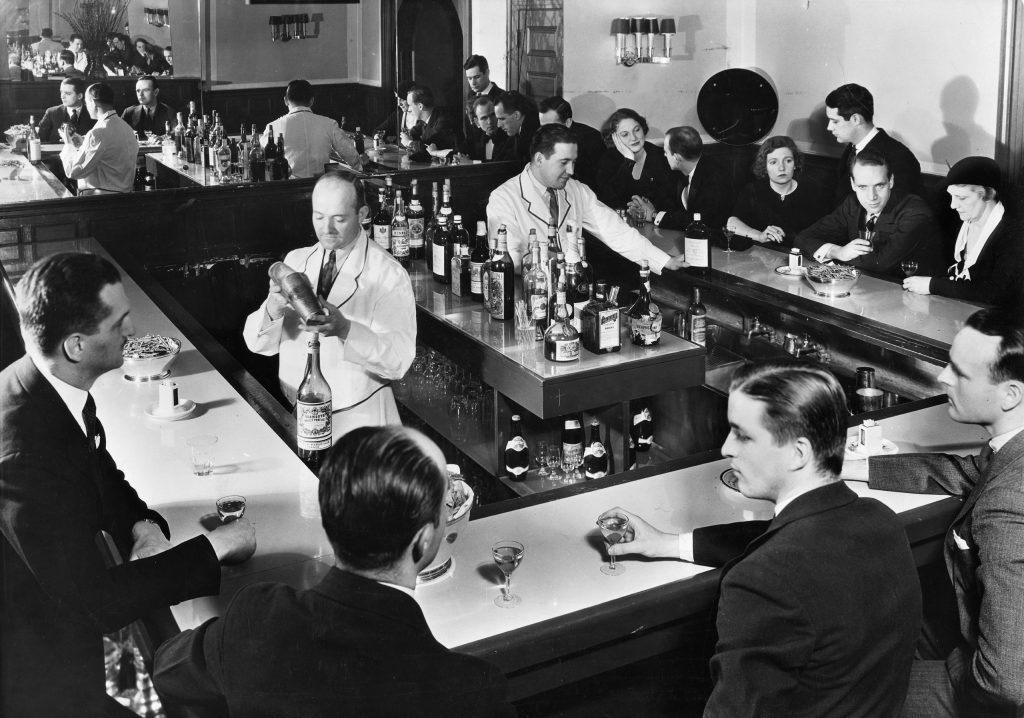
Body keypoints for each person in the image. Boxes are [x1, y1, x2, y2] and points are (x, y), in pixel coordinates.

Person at [0, 252, 256, 717]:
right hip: (31, 672)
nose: (132, 331)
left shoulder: (46, 384)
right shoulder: (26, 456)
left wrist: (141, 522)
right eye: (118, 323)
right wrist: (214, 548)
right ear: (77, 346)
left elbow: (99, 472)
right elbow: (90, 601)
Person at [600, 361, 921, 717]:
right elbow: (792, 539)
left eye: (743, 435)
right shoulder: (880, 520)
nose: (725, 448)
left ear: (798, 453)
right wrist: (668, 543)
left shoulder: (762, 581)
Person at [154, 426, 514, 717]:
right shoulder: (472, 690)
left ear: (329, 519)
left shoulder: (254, 619)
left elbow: (167, 670)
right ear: (422, 542)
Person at [863, 308, 1024, 717]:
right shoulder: (1012, 454)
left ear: (1010, 395)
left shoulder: (1006, 507)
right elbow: (971, 472)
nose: (941, 377)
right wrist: (848, 466)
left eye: (960, 372)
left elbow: (1005, 684)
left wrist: (954, 669)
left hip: (990, 688)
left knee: (840, 693)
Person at [243, 172, 415, 436]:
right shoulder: (297, 260)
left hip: (360, 420)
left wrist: (346, 329)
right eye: (319, 217)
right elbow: (256, 344)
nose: (327, 229)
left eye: (339, 219)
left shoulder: (389, 274)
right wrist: (272, 309)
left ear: (362, 214)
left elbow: (398, 362)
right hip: (299, 413)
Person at [487, 123, 689, 275]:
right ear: (539, 159)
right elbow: (507, 260)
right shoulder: (504, 198)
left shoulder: (575, 189)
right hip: (527, 297)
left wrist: (664, 261)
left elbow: (615, 231)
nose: (571, 171)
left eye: (574, 162)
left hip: (570, 292)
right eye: (564, 162)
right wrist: (551, 262)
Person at [795, 149, 944, 279]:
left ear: (891, 181)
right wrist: (838, 252)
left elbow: (879, 265)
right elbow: (803, 238)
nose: (871, 197)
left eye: (879, 186)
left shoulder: (915, 212)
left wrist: (839, 253)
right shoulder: (852, 204)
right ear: (853, 185)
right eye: (863, 187)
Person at [904, 156, 1024, 306]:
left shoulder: (1014, 235)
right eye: (951, 196)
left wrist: (933, 285)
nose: (953, 205)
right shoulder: (957, 220)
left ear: (989, 194)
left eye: (962, 198)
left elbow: (994, 293)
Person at [826, 83, 922, 205]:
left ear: (856, 119)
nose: (829, 127)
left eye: (835, 121)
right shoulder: (852, 148)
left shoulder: (898, 157)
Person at [727, 135, 828, 248]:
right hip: (762, 256)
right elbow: (732, 223)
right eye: (773, 162)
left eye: (788, 161)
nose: (782, 168)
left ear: (795, 164)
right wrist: (759, 235)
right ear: (765, 167)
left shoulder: (813, 193)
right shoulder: (752, 190)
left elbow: (823, 235)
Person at [629, 125, 732, 231]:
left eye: (666, 152)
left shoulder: (715, 178)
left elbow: (700, 222)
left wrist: (654, 215)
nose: (664, 155)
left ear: (677, 158)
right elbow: (673, 206)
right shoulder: (683, 171)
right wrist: (648, 205)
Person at [260, 79, 361, 178]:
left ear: (286, 100)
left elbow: (263, 159)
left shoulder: (273, 127)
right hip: (320, 187)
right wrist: (360, 164)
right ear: (312, 101)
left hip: (288, 188)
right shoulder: (329, 124)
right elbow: (352, 156)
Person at [59, 82, 139, 195]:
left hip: (100, 201)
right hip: (125, 197)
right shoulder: (126, 128)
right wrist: (84, 143)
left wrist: (68, 143)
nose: (87, 107)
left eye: (86, 102)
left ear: (93, 102)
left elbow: (73, 172)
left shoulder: (97, 133)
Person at [594, 108, 675, 211]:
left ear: (643, 128)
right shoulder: (608, 159)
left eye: (637, 130)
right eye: (625, 134)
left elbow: (671, 203)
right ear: (614, 138)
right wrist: (628, 162)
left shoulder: (662, 156)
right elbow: (606, 201)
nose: (633, 137)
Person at [538, 95, 605, 189]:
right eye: (542, 126)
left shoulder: (591, 140)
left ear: (568, 122)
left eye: (551, 126)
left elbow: (594, 183)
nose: (545, 132)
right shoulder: (543, 135)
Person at [402, 84, 460, 152]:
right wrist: (408, 136)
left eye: (410, 105)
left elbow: (428, 148)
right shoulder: (423, 121)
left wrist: (409, 143)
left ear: (420, 106)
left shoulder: (443, 121)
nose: (408, 109)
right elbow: (413, 133)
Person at [38, 76, 96, 143]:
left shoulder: (92, 113)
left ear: (79, 96)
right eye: (61, 92)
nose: (62, 96)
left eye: (68, 93)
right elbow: (40, 141)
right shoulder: (52, 113)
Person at [453, 95, 508, 162]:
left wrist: (471, 163)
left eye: (493, 115)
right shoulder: (475, 137)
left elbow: (500, 166)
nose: (490, 122)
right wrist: (457, 157)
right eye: (484, 118)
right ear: (477, 122)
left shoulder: (509, 136)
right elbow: (455, 153)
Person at [493, 90, 540, 165]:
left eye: (502, 119)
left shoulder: (533, 138)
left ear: (517, 115)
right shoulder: (516, 132)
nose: (499, 125)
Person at [121, 75, 175, 140]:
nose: (140, 94)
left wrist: (162, 138)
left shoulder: (168, 111)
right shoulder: (129, 112)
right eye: (138, 91)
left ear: (156, 92)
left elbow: (176, 131)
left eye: (145, 90)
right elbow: (118, 133)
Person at [463, 54, 503, 138]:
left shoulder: (501, 97)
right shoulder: (471, 95)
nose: (473, 83)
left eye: (477, 77)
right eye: (469, 78)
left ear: (487, 72)